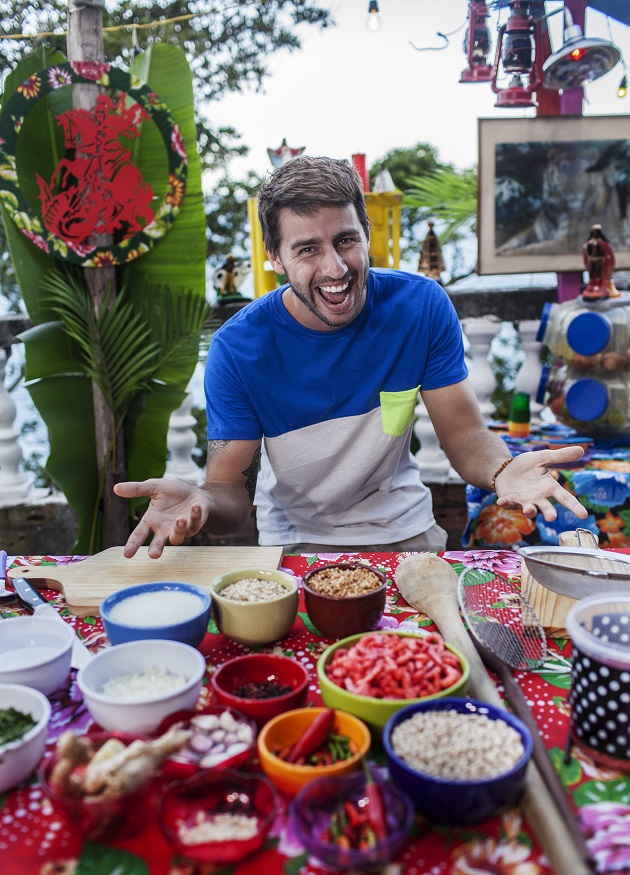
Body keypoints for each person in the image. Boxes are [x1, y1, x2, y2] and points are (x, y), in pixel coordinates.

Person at [114, 156, 588, 559]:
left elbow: (465, 435)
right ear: (274, 257)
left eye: (345, 240)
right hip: (295, 543)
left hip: (407, 533)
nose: (335, 268)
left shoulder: (421, 306)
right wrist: (200, 500)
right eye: (307, 249)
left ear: (366, 233)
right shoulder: (238, 349)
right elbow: (230, 495)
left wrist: (504, 469)